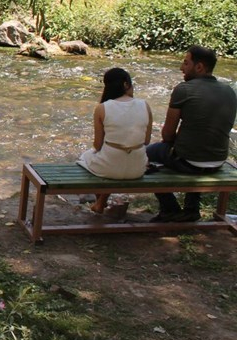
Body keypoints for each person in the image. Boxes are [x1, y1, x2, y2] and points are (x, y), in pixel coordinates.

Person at [146, 45, 237, 222]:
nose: (181, 68)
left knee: (145, 153)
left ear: (199, 67)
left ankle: (169, 208)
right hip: (218, 161)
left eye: (186, 63)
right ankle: (191, 209)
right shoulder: (229, 91)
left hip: (189, 162)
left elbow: (167, 135)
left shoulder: (184, 89)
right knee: (193, 147)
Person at [76, 67, 153, 213]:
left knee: (86, 156)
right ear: (125, 84)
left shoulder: (102, 108)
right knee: (117, 156)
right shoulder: (145, 105)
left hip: (109, 168)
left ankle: (99, 201)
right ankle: (100, 202)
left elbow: (97, 146)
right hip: (137, 169)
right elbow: (147, 141)